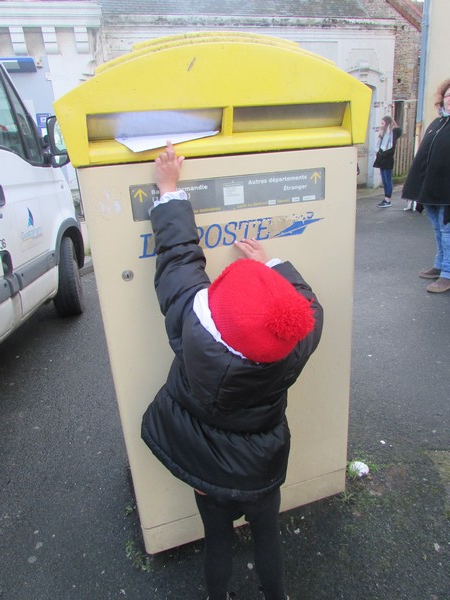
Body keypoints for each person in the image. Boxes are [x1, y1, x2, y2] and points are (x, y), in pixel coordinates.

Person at [141, 142, 324, 600]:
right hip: (261, 472)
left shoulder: (189, 322)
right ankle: (276, 595)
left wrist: (169, 191)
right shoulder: (293, 347)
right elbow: (311, 309)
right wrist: (273, 266)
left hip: (208, 472)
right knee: (268, 537)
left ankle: (217, 596)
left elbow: (179, 259)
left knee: (217, 542)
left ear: (212, 305)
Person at [402, 79, 450, 293]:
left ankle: (447, 275)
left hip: (447, 192)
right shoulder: (438, 123)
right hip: (433, 190)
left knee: (448, 233)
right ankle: (440, 265)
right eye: (448, 96)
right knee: (438, 230)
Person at [373, 115, 402, 208]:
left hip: (387, 158)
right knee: (384, 180)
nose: (381, 125)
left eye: (383, 123)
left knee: (387, 179)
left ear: (387, 123)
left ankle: (388, 199)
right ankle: (386, 198)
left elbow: (391, 147)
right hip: (382, 159)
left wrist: (383, 153)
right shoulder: (384, 133)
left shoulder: (392, 133)